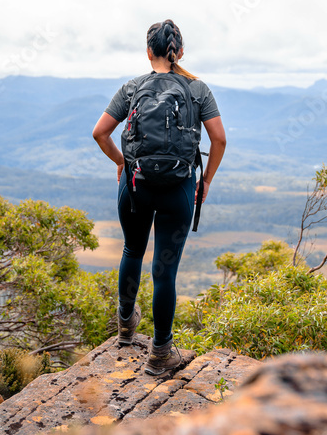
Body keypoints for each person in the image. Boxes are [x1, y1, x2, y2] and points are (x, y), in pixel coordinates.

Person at [92, 20, 226, 375]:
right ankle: (160, 354)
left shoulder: (133, 87)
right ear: (179, 52)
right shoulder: (198, 90)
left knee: (131, 250)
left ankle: (124, 327)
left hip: (135, 187)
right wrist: (206, 180)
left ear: (148, 51)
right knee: (165, 272)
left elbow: (100, 133)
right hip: (179, 190)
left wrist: (122, 162)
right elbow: (220, 140)